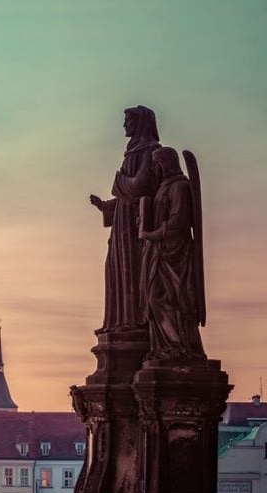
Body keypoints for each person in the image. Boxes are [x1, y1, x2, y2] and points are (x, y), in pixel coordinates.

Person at [89, 106, 162, 333]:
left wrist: (118, 181)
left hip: (134, 225)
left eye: (128, 120)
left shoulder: (151, 151)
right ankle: (117, 321)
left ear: (139, 123)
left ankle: (132, 321)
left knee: (132, 269)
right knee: (114, 268)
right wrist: (105, 205)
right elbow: (123, 197)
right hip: (121, 222)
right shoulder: (131, 152)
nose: (124, 125)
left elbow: (142, 185)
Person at [139, 147, 205, 361]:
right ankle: (165, 347)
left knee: (170, 298)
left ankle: (177, 347)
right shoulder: (162, 188)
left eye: (156, 164)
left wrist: (152, 234)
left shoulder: (180, 186)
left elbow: (178, 221)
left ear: (165, 163)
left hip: (175, 253)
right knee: (154, 297)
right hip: (159, 252)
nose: (153, 168)